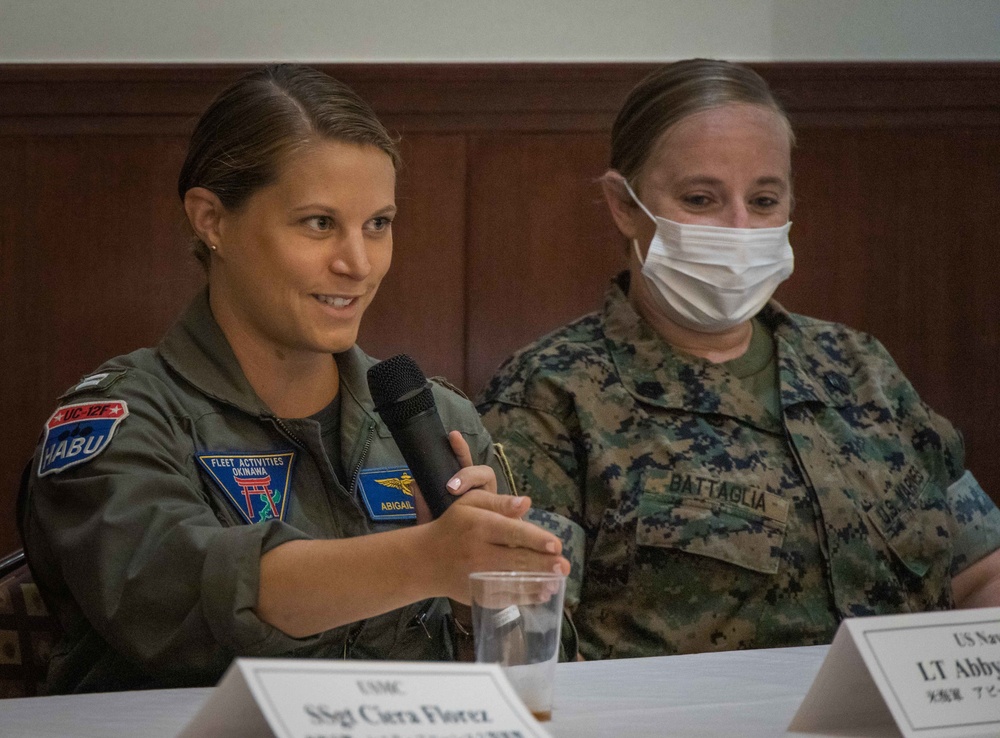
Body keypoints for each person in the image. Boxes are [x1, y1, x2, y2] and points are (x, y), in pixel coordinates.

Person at [17, 64, 570, 694]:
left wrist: (487, 598)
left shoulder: (432, 419)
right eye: (318, 224)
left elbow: (537, 666)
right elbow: (168, 601)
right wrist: (427, 559)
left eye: (378, 224)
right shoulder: (121, 418)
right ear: (211, 220)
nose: (357, 264)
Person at [477, 59, 1000, 661]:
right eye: (701, 199)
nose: (738, 228)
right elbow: (522, 635)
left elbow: (980, 571)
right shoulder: (550, 391)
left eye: (764, 199)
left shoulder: (862, 369)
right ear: (624, 205)